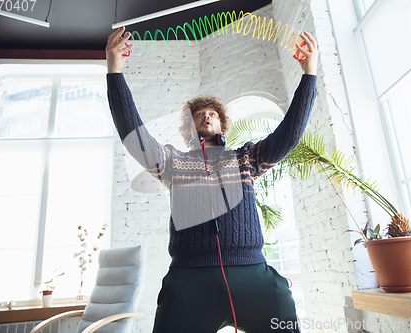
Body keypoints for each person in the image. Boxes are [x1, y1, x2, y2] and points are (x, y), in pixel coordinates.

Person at [105, 26, 319, 333]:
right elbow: (132, 134)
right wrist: (115, 69)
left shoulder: (246, 159)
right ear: (189, 128)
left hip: (252, 275)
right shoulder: (173, 163)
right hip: (189, 281)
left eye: (212, 114)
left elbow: (290, 134)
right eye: (198, 115)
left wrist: (309, 73)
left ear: (222, 124)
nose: (206, 117)